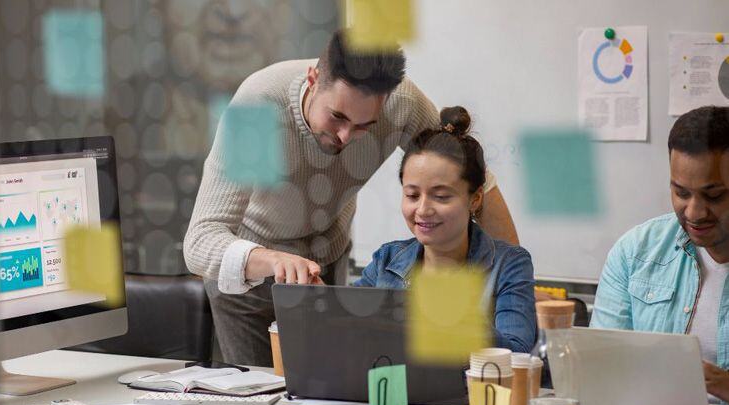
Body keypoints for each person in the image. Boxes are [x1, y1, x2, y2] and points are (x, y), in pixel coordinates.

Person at [184, 30, 520, 366]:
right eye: (338, 117)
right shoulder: (259, 109)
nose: (346, 136)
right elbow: (201, 241)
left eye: (364, 126)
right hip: (250, 279)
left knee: (329, 390)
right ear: (313, 79)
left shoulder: (402, 105)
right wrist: (273, 260)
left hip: (326, 269)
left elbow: (475, 184)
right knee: (259, 391)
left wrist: (512, 279)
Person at [353, 106, 536, 352]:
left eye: (441, 196)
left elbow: (517, 352)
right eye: (412, 195)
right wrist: (314, 294)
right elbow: (347, 326)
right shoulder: (386, 260)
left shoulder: (509, 264)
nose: (423, 209)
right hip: (395, 388)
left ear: (475, 199)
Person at [591, 106, 729, 402]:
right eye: (681, 193)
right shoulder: (636, 253)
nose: (694, 212)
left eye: (714, 195)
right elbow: (601, 372)